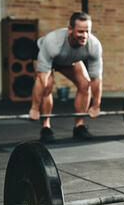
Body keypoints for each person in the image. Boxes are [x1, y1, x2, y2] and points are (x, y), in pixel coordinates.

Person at [28, 12, 103, 142]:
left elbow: (96, 78)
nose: (84, 35)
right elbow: (42, 79)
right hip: (45, 54)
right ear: (70, 29)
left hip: (70, 59)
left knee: (85, 84)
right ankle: (46, 126)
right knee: (47, 85)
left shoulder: (94, 45)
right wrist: (34, 108)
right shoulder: (53, 42)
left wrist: (96, 105)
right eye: (80, 31)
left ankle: (79, 126)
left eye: (87, 31)